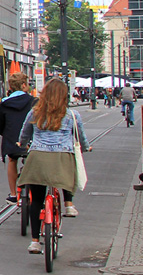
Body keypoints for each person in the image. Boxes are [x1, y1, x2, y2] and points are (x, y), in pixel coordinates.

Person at [17, 78, 91, 253]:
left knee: (37, 200)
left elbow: (24, 135)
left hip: (38, 158)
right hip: (61, 157)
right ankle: (69, 205)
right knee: (70, 168)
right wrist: (87, 148)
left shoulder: (35, 113)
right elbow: (80, 137)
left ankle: (34, 241)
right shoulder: (72, 115)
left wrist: (22, 144)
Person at [0, 72, 35, 204]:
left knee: (12, 160)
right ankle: (35, 192)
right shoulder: (34, 102)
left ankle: (13, 194)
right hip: (30, 141)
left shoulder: (4, 103)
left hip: (12, 141)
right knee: (33, 160)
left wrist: (6, 134)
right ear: (24, 85)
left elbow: (0, 124)